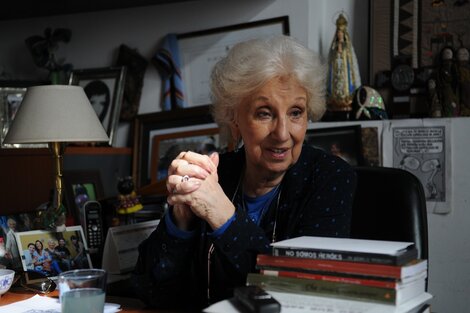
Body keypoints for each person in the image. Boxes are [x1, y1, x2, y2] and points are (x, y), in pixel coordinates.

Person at [131, 35, 357, 310]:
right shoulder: (216, 174)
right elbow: (149, 289)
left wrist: (223, 215)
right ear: (233, 118)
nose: (283, 133)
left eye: (296, 112)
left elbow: (304, 294)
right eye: (265, 113)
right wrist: (181, 221)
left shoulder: (329, 177)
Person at [326, 13, 361, 116]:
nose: (339, 35)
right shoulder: (333, 46)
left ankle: (347, 100)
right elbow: (330, 60)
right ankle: (334, 102)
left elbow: (351, 61)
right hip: (336, 76)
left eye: (341, 33)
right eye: (338, 33)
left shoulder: (348, 46)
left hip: (345, 76)